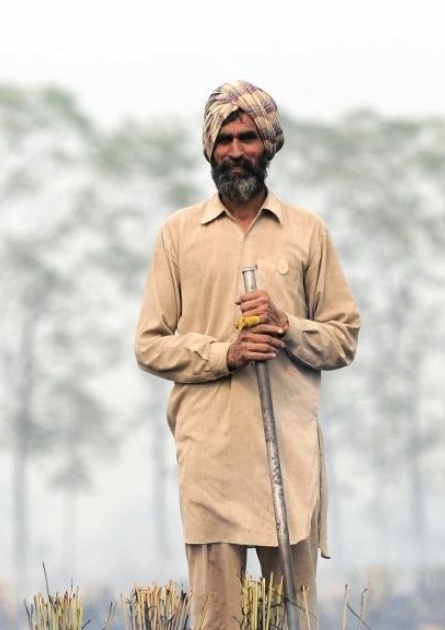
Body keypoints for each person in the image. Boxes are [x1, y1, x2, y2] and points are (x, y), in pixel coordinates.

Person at [134, 79, 361, 629]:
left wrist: (287, 328)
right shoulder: (178, 235)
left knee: (293, 620)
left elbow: (343, 337)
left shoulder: (306, 231)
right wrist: (225, 353)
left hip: (289, 460)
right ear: (210, 149)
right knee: (218, 622)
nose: (235, 151)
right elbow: (150, 344)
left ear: (269, 146)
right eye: (225, 140)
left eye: (248, 138)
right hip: (211, 461)